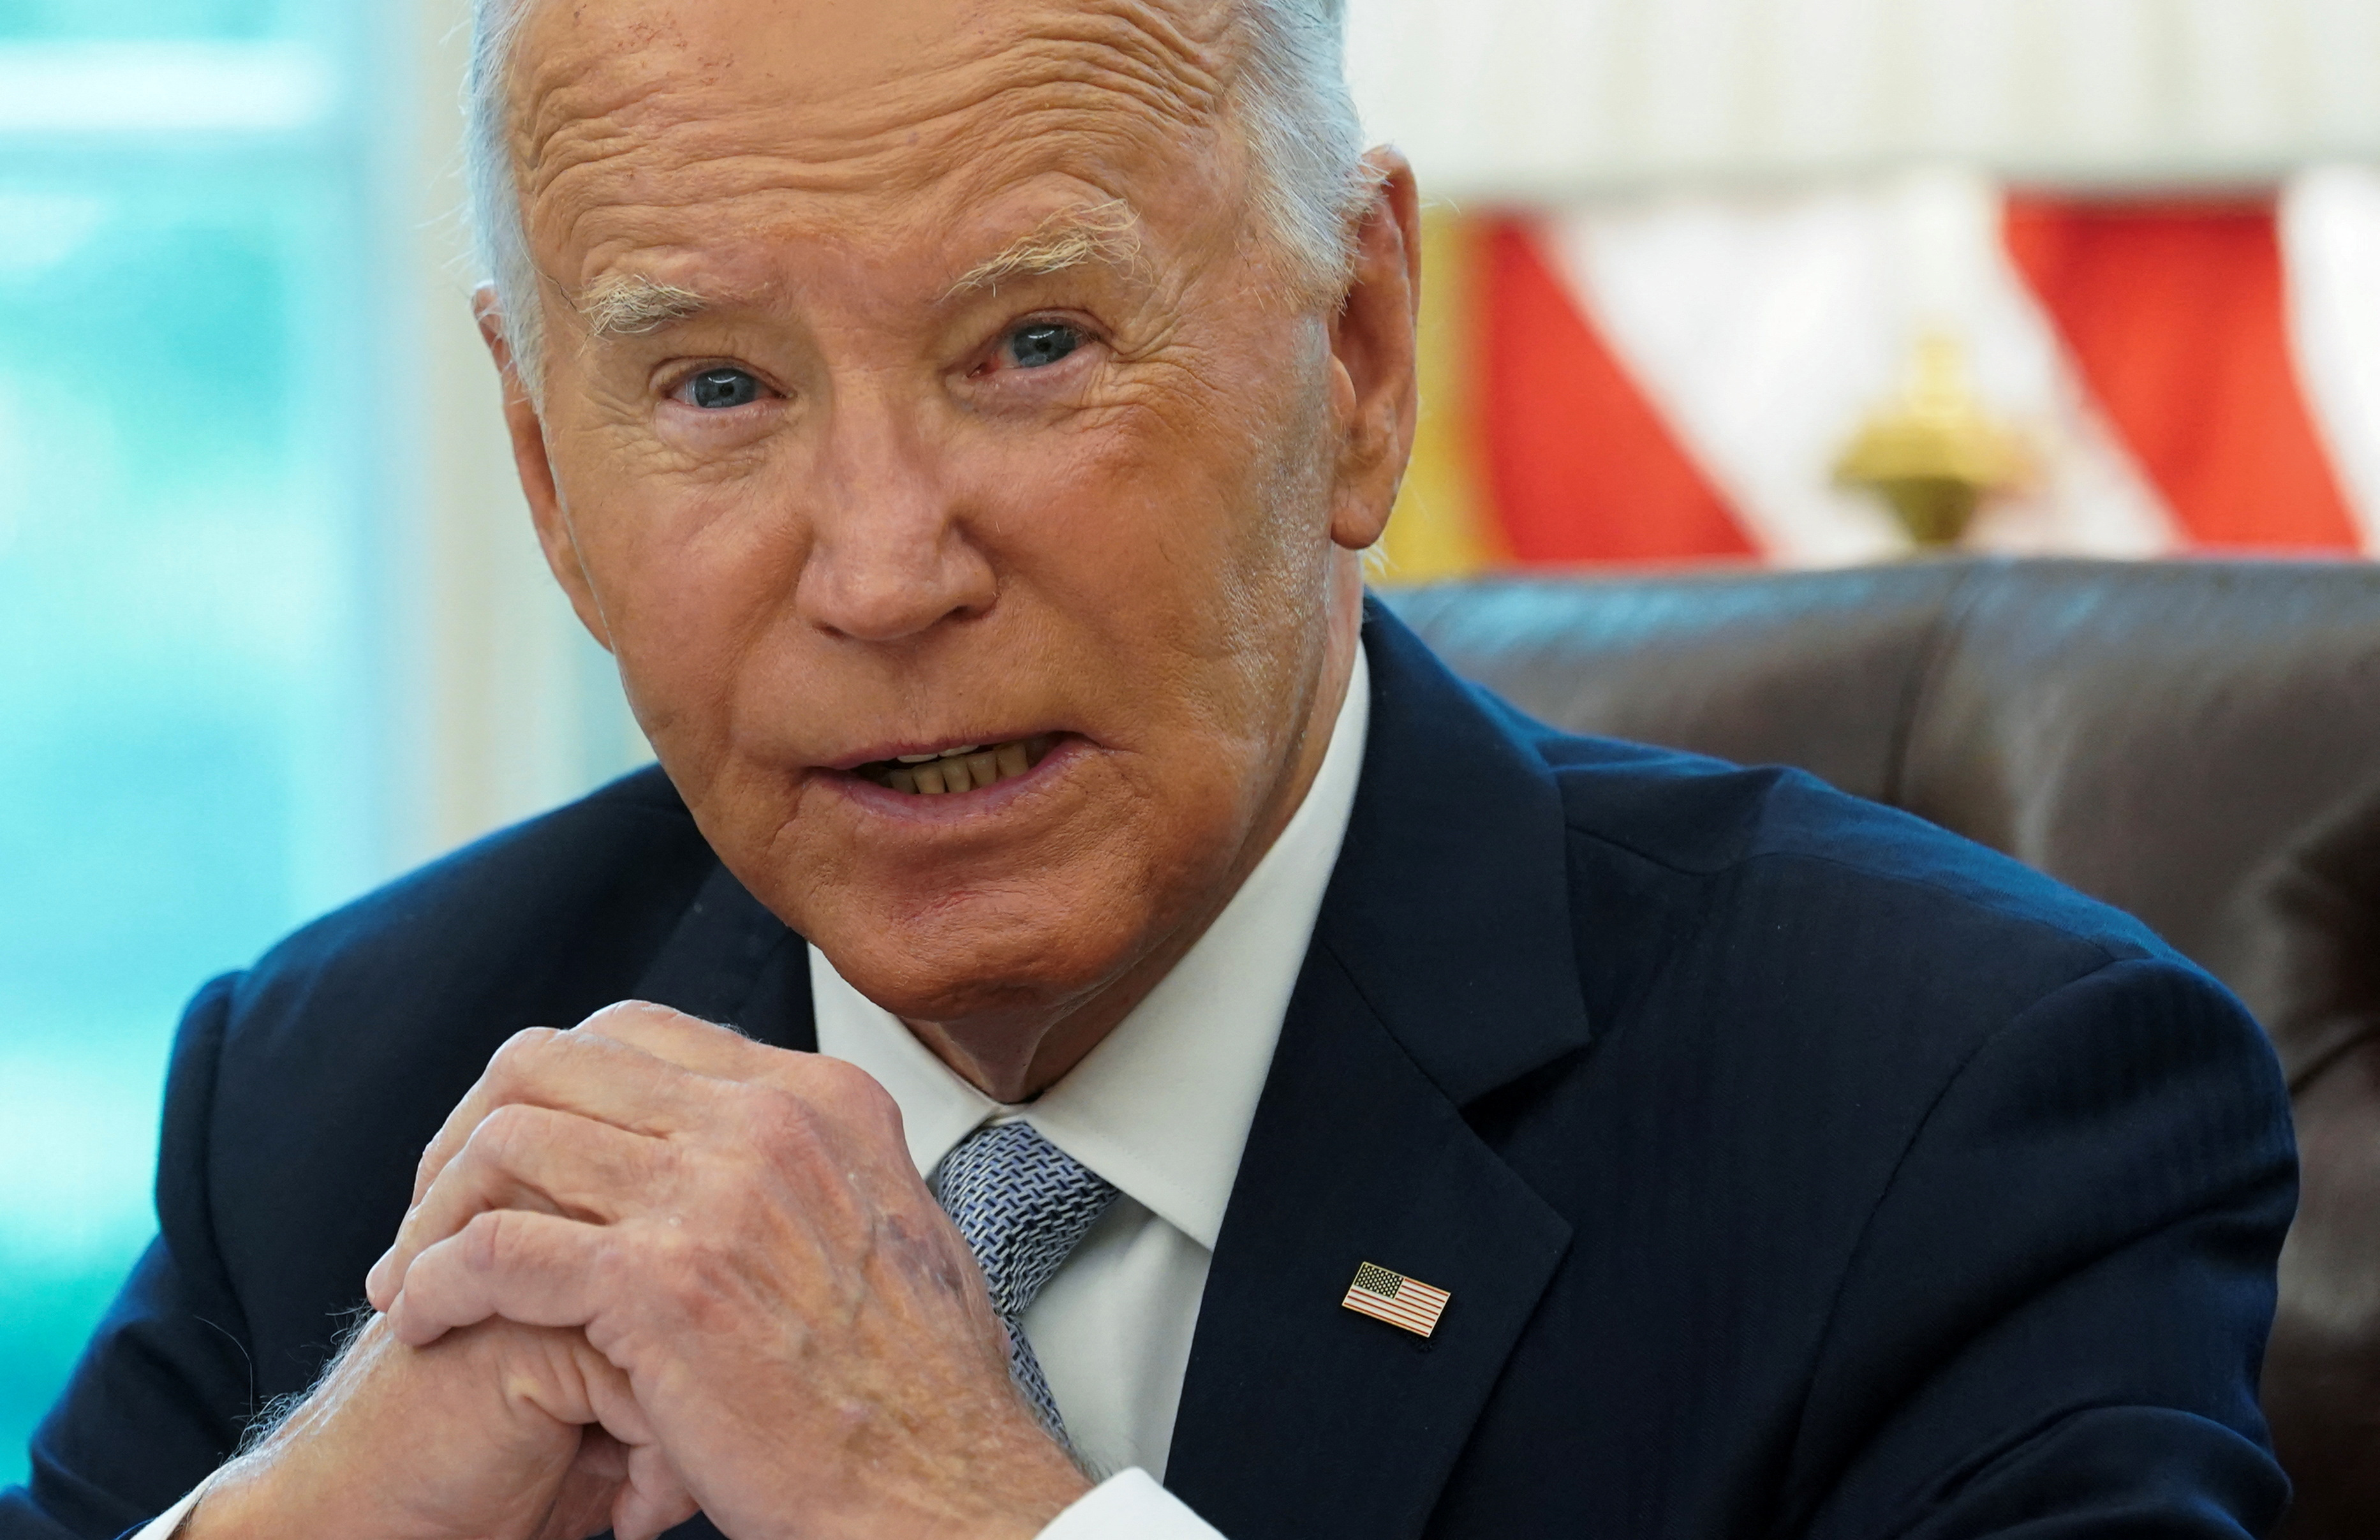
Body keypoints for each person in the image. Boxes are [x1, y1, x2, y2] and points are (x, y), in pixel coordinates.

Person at [0, 0, 2297, 1536]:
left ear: (1357, 357)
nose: (883, 570)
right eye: (713, 389)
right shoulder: (346, 1088)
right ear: (542, 472)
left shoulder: (1950, 1116)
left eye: (1031, 344)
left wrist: (950, 1510)